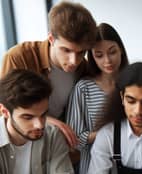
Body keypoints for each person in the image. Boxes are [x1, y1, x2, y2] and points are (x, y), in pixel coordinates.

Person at [0, 69, 99, 174]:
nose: (39, 125)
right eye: (28, 117)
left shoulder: (52, 134)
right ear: (4, 112)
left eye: (43, 114)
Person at [0, 1, 97, 148]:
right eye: (66, 50)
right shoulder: (19, 57)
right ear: (51, 39)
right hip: (20, 145)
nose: (74, 61)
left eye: (81, 52)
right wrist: (49, 120)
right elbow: (4, 109)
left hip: (57, 147)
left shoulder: (84, 68)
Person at [66, 23, 129, 174]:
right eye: (99, 55)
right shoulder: (84, 88)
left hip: (131, 171)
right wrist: (107, 134)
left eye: (112, 52)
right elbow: (74, 139)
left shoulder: (132, 83)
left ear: (121, 49)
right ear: (91, 57)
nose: (107, 61)